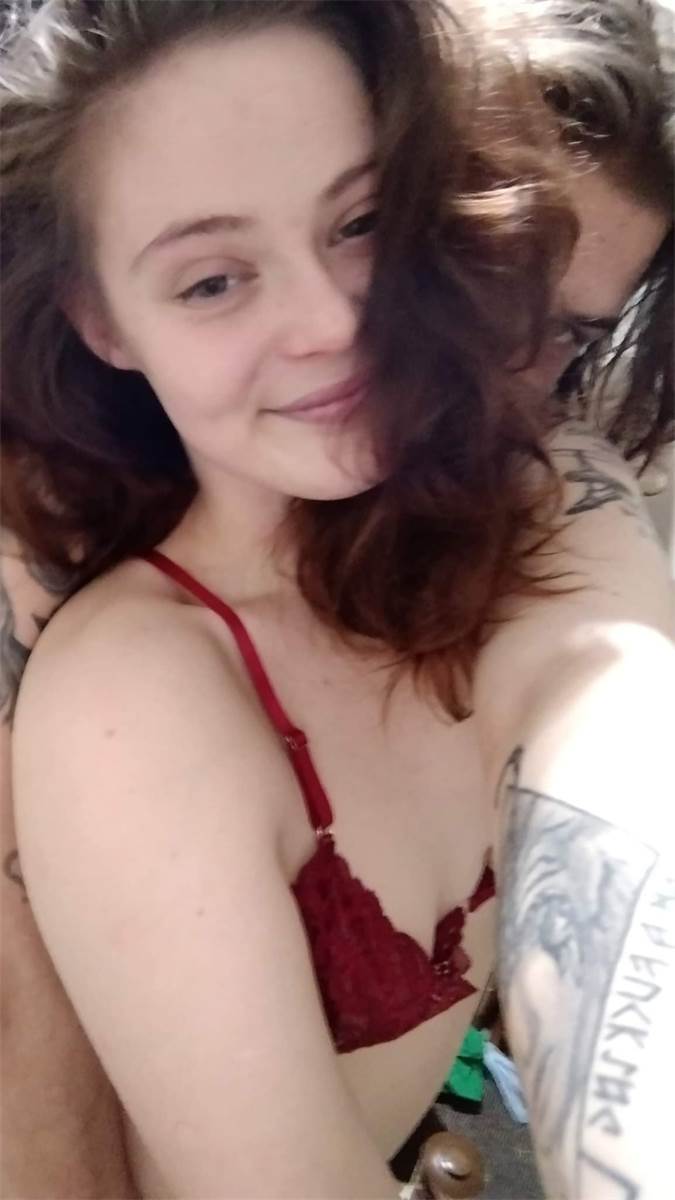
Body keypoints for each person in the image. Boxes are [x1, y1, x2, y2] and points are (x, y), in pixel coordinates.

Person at [1, 2, 673, 1198]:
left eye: (362, 224)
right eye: (212, 280)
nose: (338, 323)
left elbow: (610, 698)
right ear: (102, 322)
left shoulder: (539, 503)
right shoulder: (141, 690)